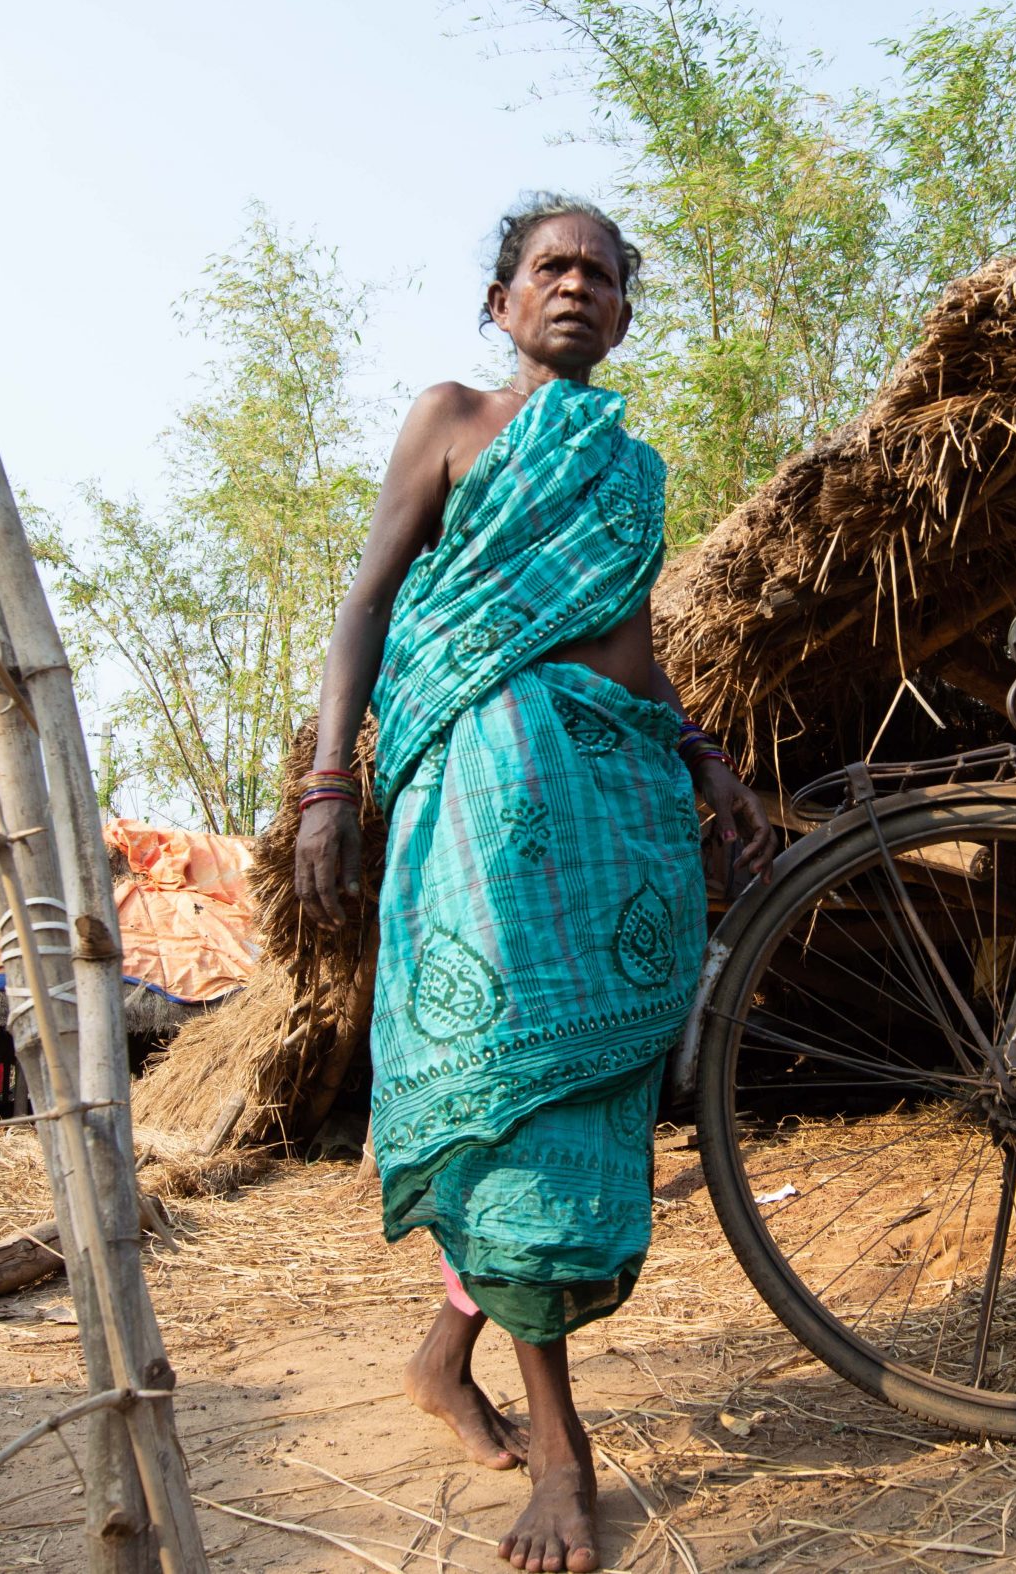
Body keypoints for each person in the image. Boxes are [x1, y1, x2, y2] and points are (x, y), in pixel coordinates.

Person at [294, 196, 776, 1574]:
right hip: (484, 800)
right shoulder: (452, 419)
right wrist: (333, 779)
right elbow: (367, 606)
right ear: (502, 303)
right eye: (547, 267)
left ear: (624, 311)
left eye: (601, 273)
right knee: (513, 1090)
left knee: (579, 1098)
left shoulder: (630, 471)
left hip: (616, 797)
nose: (574, 284)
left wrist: (702, 754)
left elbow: (628, 645)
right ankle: (565, 1451)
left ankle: (445, 1357)